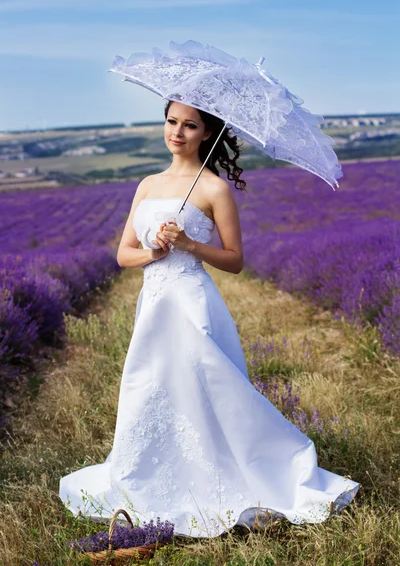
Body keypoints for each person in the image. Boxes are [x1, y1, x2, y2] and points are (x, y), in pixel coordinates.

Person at [59, 101, 359, 539]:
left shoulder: (215, 189)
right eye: (172, 122)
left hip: (192, 301)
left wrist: (188, 244)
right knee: (149, 385)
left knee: (206, 383)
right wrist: (154, 252)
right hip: (155, 302)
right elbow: (123, 254)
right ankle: (149, 473)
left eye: (190, 125)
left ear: (206, 133)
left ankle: (231, 472)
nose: (177, 132)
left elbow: (235, 261)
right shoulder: (146, 185)